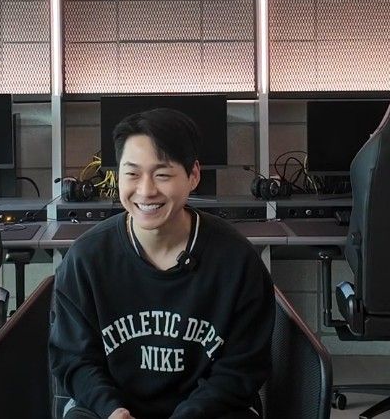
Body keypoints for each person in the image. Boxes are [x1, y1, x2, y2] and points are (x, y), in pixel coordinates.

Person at [49, 108, 275, 419]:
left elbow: (242, 368)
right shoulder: (86, 259)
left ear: (193, 175)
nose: (146, 191)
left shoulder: (237, 261)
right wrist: (111, 410)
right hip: (110, 411)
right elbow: (74, 359)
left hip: (209, 412)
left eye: (162, 174)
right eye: (132, 174)